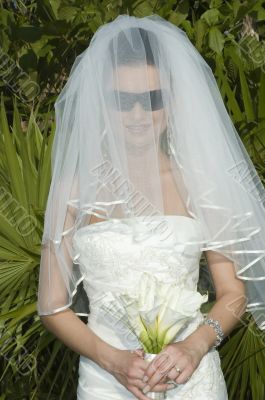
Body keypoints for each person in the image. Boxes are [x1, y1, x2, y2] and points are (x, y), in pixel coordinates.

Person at [37, 14, 265, 400]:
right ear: (101, 102)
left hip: (193, 379)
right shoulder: (72, 190)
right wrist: (113, 362)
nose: (139, 115)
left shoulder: (202, 186)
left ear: (173, 100)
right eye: (123, 102)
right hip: (106, 382)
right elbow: (51, 306)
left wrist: (194, 347)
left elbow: (233, 294)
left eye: (153, 99)